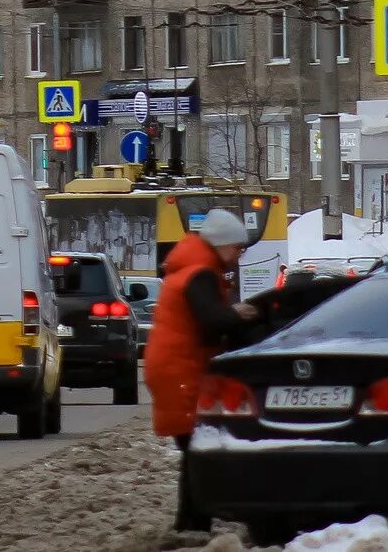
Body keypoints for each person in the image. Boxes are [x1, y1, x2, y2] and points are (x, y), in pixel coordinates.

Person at [145, 210, 281, 536]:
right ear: (221, 245)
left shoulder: (189, 268)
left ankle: (191, 523)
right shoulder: (200, 274)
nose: (239, 255)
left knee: (194, 447)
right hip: (184, 368)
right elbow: (212, 321)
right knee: (197, 447)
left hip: (172, 365)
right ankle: (193, 525)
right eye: (237, 248)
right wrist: (239, 315)